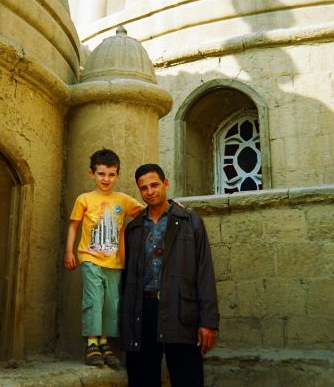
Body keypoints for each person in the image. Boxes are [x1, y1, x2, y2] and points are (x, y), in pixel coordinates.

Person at [121, 163, 219, 386]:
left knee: (188, 378)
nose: (150, 191)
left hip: (180, 311)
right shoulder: (134, 228)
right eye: (144, 188)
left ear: (165, 183)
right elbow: (126, 279)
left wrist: (208, 322)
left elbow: (204, 271)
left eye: (154, 185)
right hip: (142, 313)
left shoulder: (189, 221)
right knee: (142, 379)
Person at [65, 148, 144, 366]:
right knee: (94, 299)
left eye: (111, 174)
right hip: (90, 258)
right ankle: (92, 343)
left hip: (115, 262)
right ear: (91, 173)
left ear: (117, 174)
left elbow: (145, 212)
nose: (106, 179)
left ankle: (104, 343)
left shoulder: (123, 200)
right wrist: (69, 251)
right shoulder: (84, 199)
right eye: (101, 174)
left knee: (112, 303)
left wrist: (172, 205)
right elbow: (74, 226)